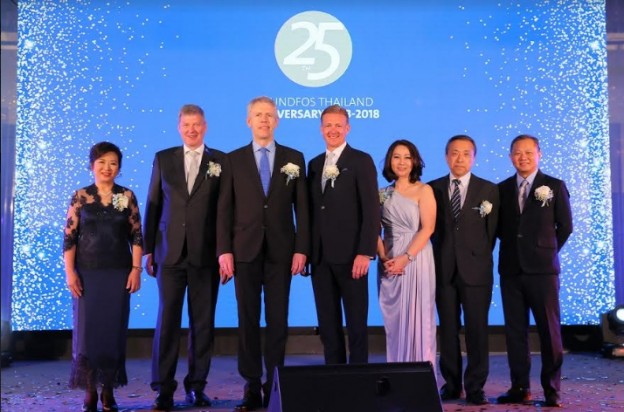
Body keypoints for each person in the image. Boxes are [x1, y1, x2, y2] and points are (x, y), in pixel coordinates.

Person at [216, 96, 310, 410]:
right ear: (249, 121)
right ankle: (252, 385)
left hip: (282, 251)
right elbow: (224, 210)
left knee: (278, 320)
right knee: (247, 320)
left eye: (269, 115)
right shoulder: (232, 159)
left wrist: (301, 249)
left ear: (277, 120)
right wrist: (224, 250)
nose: (264, 120)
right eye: (258, 115)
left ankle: (275, 384)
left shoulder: (294, 158)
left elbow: (303, 210)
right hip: (244, 251)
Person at [143, 104, 228, 411]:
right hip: (169, 253)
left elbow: (224, 210)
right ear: (179, 127)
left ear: (205, 127)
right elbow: (153, 203)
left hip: (206, 255)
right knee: (167, 322)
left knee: (202, 324)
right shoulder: (163, 158)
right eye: (186, 125)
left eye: (197, 124)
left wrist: (224, 251)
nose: (192, 130)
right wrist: (148, 249)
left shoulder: (221, 160)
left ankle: (197, 386)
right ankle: (163, 389)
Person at [63, 141, 143, 412]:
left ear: (118, 167)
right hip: (87, 274)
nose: (107, 168)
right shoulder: (80, 196)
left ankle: (108, 389)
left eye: (113, 163)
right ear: (92, 165)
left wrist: (136, 270)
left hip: (118, 273)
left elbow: (137, 236)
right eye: (102, 162)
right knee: (88, 333)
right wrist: (70, 272)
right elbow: (69, 238)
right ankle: (90, 390)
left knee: (113, 331)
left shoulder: (127, 196)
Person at [496, 134, 572, 408]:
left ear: (539, 154)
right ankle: (520, 387)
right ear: (510, 157)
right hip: (511, 270)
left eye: (529, 152)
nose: (523, 157)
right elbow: (499, 229)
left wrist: (545, 250)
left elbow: (565, 227)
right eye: (518, 152)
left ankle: (552, 390)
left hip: (543, 272)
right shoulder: (501, 189)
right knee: (515, 332)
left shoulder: (554, 186)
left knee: (549, 332)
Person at [428, 135, 499, 406]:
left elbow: (491, 233)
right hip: (443, 269)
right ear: (446, 156)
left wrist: (474, 256)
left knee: (477, 330)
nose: (460, 158)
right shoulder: (433, 188)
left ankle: (475, 387)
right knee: (447, 329)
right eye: (455, 153)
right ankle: (451, 384)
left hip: (476, 270)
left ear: (474, 157)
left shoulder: (489, 190)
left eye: (466, 153)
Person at [308, 104, 380, 364]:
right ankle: (334, 376)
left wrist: (365, 252)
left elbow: (371, 210)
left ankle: (358, 377)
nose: (333, 130)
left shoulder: (361, 160)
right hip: (320, 259)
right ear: (321, 129)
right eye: (328, 125)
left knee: (356, 323)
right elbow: (314, 211)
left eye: (338, 125)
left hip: (352, 257)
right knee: (328, 324)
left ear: (347, 128)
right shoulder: (314, 164)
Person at [377, 140, 437, 368]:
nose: (401, 162)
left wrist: (405, 258)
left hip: (416, 256)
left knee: (419, 317)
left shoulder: (424, 190)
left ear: (415, 161)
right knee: (395, 321)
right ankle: (398, 372)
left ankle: (421, 376)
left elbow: (428, 228)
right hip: (389, 259)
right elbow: (374, 229)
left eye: (407, 157)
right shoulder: (382, 193)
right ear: (389, 161)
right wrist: (384, 257)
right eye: (396, 157)